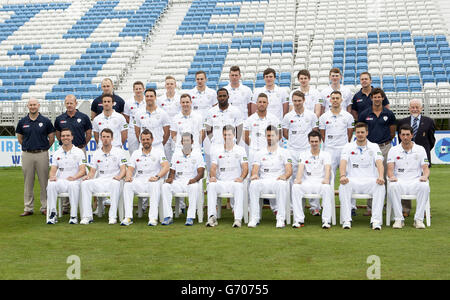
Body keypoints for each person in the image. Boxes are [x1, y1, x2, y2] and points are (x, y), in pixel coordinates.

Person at [338, 122, 385, 230]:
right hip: (353, 180)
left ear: (367, 133)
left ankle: (376, 221)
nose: (360, 134)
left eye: (362, 132)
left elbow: (379, 162)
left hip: (370, 181)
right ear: (355, 133)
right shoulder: (348, 146)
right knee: (343, 186)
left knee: (380, 186)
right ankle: (346, 220)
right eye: (358, 132)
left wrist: (381, 176)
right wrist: (342, 176)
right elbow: (343, 162)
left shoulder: (374, 146)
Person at [357, 88, 396, 216]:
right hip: (369, 148)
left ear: (383, 98)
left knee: (383, 176)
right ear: (372, 98)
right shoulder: (364, 113)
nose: (377, 99)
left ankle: (383, 204)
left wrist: (386, 141)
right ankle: (370, 207)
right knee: (370, 175)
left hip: (385, 147)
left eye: (379, 97)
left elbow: (392, 130)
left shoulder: (389, 113)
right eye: (375, 97)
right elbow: (361, 129)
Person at [282, 90, 320, 215]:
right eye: (295, 101)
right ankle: (293, 206)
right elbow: (285, 133)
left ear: (304, 100)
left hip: (307, 151)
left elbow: (315, 132)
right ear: (292, 101)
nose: (297, 103)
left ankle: (314, 207)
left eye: (299, 100)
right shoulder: (288, 117)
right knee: (293, 178)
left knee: (311, 176)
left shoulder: (311, 115)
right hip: (292, 151)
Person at [121, 129, 170, 226]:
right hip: (140, 180)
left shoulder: (159, 152)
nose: (146, 141)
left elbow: (166, 166)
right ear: (140, 140)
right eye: (143, 139)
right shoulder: (135, 153)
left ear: (152, 140)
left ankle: (153, 218)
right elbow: (130, 169)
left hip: (154, 180)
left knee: (154, 185)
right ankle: (128, 217)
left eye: (148, 139)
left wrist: (157, 176)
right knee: (127, 185)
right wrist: (129, 177)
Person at [16, 97, 56, 216]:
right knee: (28, 182)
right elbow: (20, 138)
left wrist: (43, 148)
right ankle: (28, 207)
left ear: (38, 105)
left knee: (44, 182)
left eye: (35, 104)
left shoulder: (45, 121)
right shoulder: (22, 121)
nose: (33, 107)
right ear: (28, 106)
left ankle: (45, 207)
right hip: (27, 154)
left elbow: (51, 138)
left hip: (42, 154)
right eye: (30, 105)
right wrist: (29, 146)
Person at [396, 99, 436, 217]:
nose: (414, 109)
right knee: (405, 179)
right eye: (412, 107)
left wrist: (423, 150)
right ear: (409, 108)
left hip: (422, 157)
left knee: (423, 181)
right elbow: (400, 140)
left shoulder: (429, 121)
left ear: (421, 108)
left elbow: (431, 140)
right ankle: (406, 209)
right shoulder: (403, 121)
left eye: (417, 107)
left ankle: (423, 209)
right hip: (405, 157)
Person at [248, 125, 292, 228]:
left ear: (277, 136)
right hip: (264, 181)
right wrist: (254, 175)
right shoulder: (259, 153)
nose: (270, 138)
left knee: (281, 184)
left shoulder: (285, 152)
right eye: (268, 135)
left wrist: (284, 176)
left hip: (278, 181)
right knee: (253, 184)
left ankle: (280, 219)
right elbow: (255, 170)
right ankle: (254, 218)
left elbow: (289, 170)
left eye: (272, 135)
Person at [387, 124, 430, 229]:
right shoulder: (393, 150)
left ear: (412, 135)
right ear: (399, 136)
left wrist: (425, 176)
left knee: (424, 186)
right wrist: (391, 177)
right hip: (400, 181)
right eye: (403, 135)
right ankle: (398, 219)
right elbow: (389, 169)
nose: (405, 137)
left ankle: (418, 219)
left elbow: (425, 168)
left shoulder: (420, 149)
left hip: (415, 181)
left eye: (407, 134)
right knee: (392, 186)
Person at [53, 94, 91, 214]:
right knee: (64, 176)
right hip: (64, 152)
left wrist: (82, 145)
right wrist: (63, 144)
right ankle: (65, 207)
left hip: (79, 150)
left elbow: (88, 133)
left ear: (76, 103)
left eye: (71, 103)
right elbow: (58, 134)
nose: (69, 105)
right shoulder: (60, 119)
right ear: (65, 104)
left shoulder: (83, 117)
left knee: (80, 175)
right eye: (67, 103)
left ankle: (81, 204)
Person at [80, 128, 127, 225]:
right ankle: (87, 216)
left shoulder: (118, 152)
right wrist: (88, 177)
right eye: (104, 137)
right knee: (85, 184)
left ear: (112, 138)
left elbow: (123, 169)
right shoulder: (97, 153)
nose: (106, 139)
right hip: (101, 180)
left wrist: (119, 177)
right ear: (100, 138)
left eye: (108, 137)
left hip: (114, 181)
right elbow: (92, 172)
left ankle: (112, 216)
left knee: (115, 183)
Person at [206, 125, 249, 228]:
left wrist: (241, 178)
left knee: (239, 186)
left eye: (229, 134)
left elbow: (245, 168)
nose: (227, 137)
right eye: (225, 134)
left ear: (234, 135)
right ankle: (212, 217)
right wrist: (212, 177)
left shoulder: (240, 150)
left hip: (235, 182)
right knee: (211, 185)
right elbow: (213, 167)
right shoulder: (217, 150)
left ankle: (238, 219)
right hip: (221, 182)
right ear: (222, 135)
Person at [161, 133, 205, 226]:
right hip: (179, 182)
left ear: (192, 142)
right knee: (165, 186)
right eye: (184, 141)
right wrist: (170, 179)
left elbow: (201, 173)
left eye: (188, 140)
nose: (186, 143)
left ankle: (190, 217)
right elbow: (172, 172)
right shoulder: (176, 155)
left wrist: (194, 179)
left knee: (194, 187)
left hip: (191, 182)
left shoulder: (197, 155)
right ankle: (168, 217)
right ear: (181, 142)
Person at [291, 131, 333, 229]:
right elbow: (300, 168)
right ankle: (299, 220)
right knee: (295, 187)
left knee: (327, 188)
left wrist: (326, 179)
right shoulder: (303, 154)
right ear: (309, 142)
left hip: (320, 183)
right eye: (312, 141)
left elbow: (328, 168)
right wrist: (298, 179)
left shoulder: (326, 154)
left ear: (320, 142)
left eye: (316, 141)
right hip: (307, 183)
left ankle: (326, 221)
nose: (314, 144)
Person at [46, 128, 86, 224]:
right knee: (51, 184)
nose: (65, 138)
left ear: (72, 137)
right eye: (63, 136)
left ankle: (73, 216)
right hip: (62, 181)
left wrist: (75, 177)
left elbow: (83, 170)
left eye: (68, 135)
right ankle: (52, 214)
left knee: (72, 185)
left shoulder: (79, 152)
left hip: (75, 181)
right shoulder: (56, 153)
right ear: (60, 138)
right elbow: (53, 170)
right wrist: (52, 177)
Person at [204, 88, 243, 169]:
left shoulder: (235, 111)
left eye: (224, 96)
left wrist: (235, 141)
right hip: (216, 145)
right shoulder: (211, 111)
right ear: (217, 97)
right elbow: (208, 128)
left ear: (228, 96)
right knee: (215, 168)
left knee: (230, 167)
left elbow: (239, 129)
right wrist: (213, 139)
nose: (222, 98)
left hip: (231, 145)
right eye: (220, 96)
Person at [319, 91, 354, 175]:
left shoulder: (348, 116)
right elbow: (322, 134)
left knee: (346, 173)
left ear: (341, 100)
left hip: (344, 148)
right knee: (329, 174)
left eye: (337, 98)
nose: (335, 100)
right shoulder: (323, 117)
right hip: (329, 149)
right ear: (330, 100)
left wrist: (345, 144)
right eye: (333, 98)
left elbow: (350, 133)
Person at [244, 93, 281, 164]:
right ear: (256, 103)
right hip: (254, 152)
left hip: (270, 151)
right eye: (260, 102)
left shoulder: (274, 119)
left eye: (264, 102)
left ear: (267, 104)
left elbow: (279, 135)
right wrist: (253, 145)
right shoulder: (250, 119)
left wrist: (270, 146)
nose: (262, 104)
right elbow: (245, 137)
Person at [134, 88, 170, 152]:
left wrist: (161, 143)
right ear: (145, 98)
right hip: (143, 146)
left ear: (155, 97)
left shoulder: (163, 113)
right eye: (147, 96)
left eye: (151, 96)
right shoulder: (138, 113)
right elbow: (137, 132)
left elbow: (167, 133)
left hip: (158, 146)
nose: (149, 98)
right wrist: (143, 142)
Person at [158, 76, 182, 162]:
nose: (169, 86)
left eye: (171, 84)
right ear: (165, 85)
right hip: (164, 131)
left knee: (177, 153)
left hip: (177, 130)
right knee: (165, 153)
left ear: (175, 85)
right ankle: (167, 174)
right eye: (167, 84)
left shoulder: (180, 99)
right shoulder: (159, 100)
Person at [123, 81, 146, 155]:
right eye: (136, 89)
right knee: (133, 152)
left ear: (143, 89)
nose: (138, 90)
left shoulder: (148, 101)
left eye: (140, 88)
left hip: (146, 129)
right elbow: (126, 117)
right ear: (133, 90)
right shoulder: (128, 102)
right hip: (132, 130)